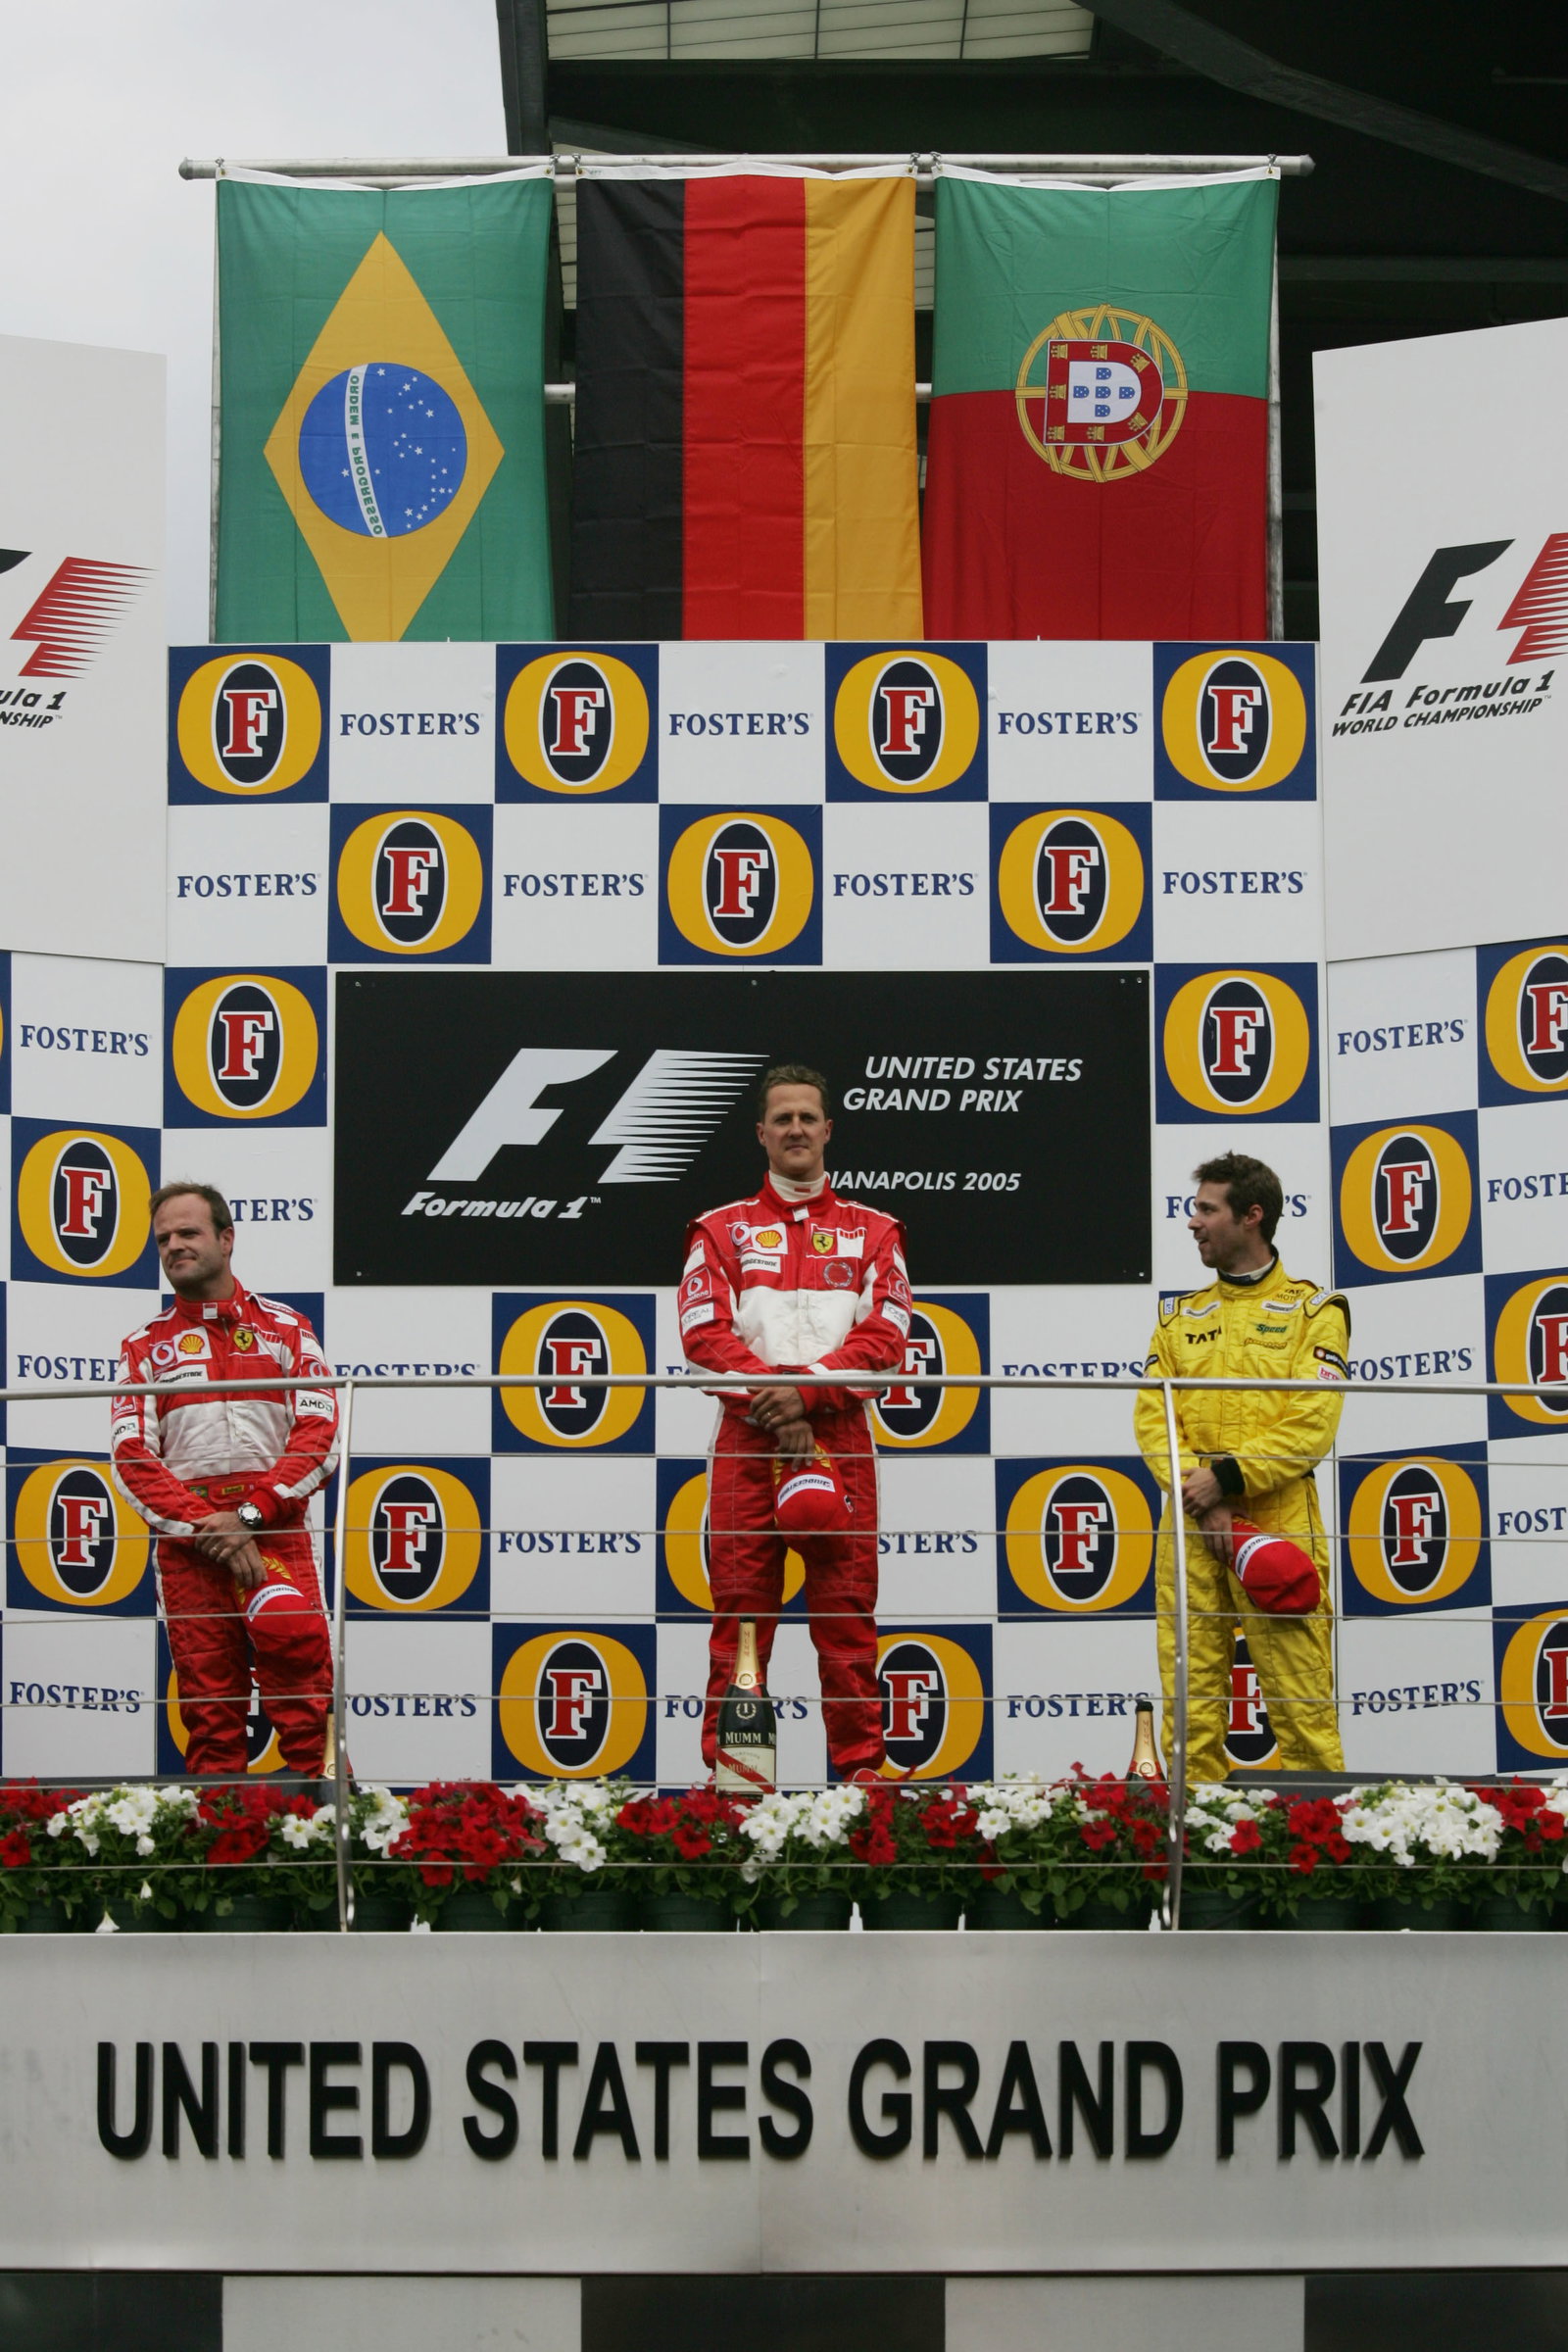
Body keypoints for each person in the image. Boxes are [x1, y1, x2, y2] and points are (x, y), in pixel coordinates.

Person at [681, 1065, 910, 1782]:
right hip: (749, 1440)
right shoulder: (719, 1229)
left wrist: (805, 1397)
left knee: (847, 1622)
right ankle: (737, 1795)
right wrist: (779, 1408)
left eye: (808, 1117)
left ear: (828, 1130)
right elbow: (702, 1336)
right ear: (761, 1134)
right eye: (782, 1119)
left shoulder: (876, 1230)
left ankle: (861, 1789)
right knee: (741, 1627)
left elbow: (889, 1339)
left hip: (837, 1437)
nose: (796, 1130)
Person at [111, 1183, 339, 1776]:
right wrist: (212, 1529)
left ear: (226, 1239)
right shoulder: (142, 1347)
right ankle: (224, 1857)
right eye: (163, 1239)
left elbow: (320, 1432)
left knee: (303, 1692)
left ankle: (319, 1852)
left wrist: (251, 1515)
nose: (173, 1246)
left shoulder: (287, 1327)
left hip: (273, 1527)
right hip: (193, 1548)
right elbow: (133, 1457)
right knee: (211, 1713)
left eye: (188, 1233)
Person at [1133, 1152, 1348, 1783]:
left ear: (1252, 1216)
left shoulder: (1317, 1311)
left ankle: (1326, 1847)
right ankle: (1193, 1851)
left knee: (1301, 1700)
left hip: (1278, 1518)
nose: (1192, 1222)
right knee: (1189, 1703)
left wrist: (1225, 1480)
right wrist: (1204, 1493)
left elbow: (1313, 1424)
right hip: (1193, 1526)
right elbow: (1154, 1421)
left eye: (1207, 1209)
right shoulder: (1178, 1318)